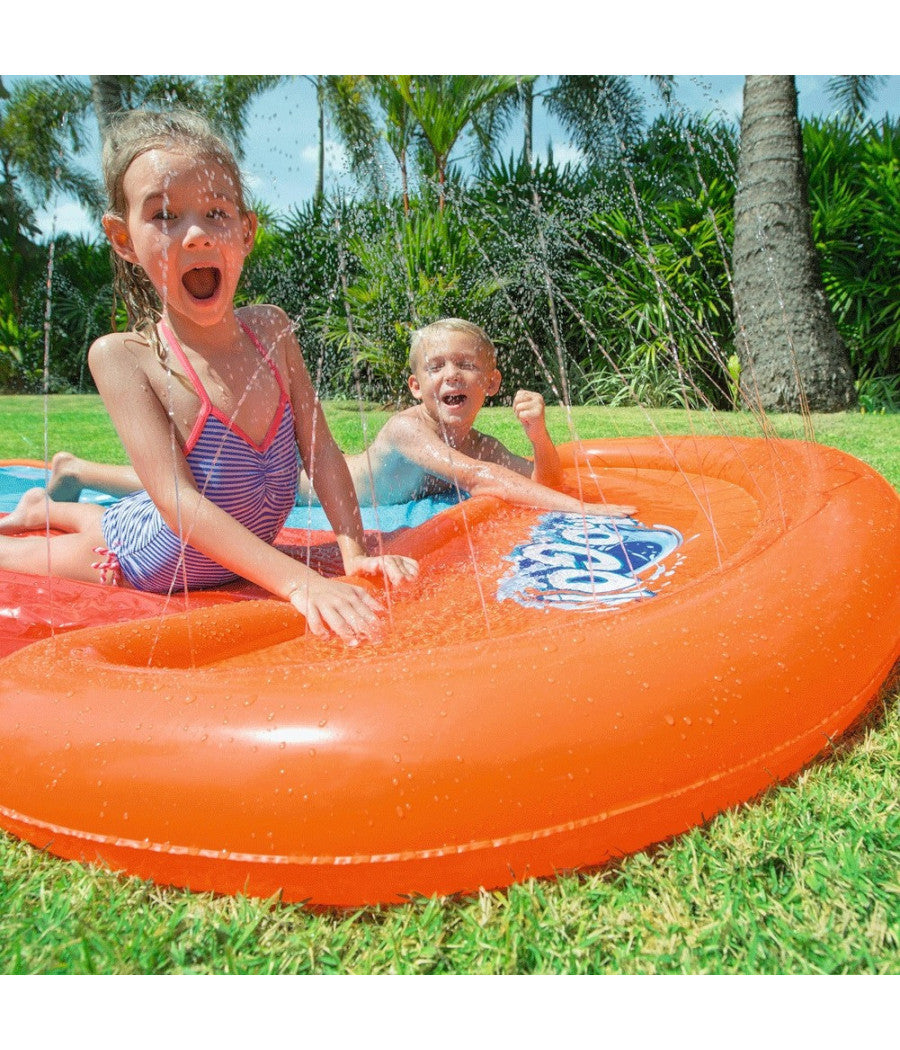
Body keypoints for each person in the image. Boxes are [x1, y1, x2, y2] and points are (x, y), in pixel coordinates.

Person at [0, 108, 417, 642]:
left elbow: (322, 452)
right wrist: (299, 582)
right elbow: (178, 505)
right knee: (21, 555)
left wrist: (353, 550)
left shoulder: (273, 332)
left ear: (246, 232)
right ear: (123, 238)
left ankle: (47, 502)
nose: (196, 234)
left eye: (217, 212)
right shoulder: (125, 357)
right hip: (150, 557)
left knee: (108, 513)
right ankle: (44, 511)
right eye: (165, 216)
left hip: (172, 525)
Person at [45, 318, 637, 518]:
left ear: (491, 383)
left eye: (465, 366)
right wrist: (585, 514)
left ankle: (79, 468)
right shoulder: (410, 429)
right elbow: (490, 482)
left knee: (205, 491)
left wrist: (538, 435)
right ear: (415, 386)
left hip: (332, 488)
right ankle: (77, 469)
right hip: (310, 488)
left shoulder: (479, 442)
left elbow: (538, 482)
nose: (450, 376)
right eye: (435, 367)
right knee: (204, 493)